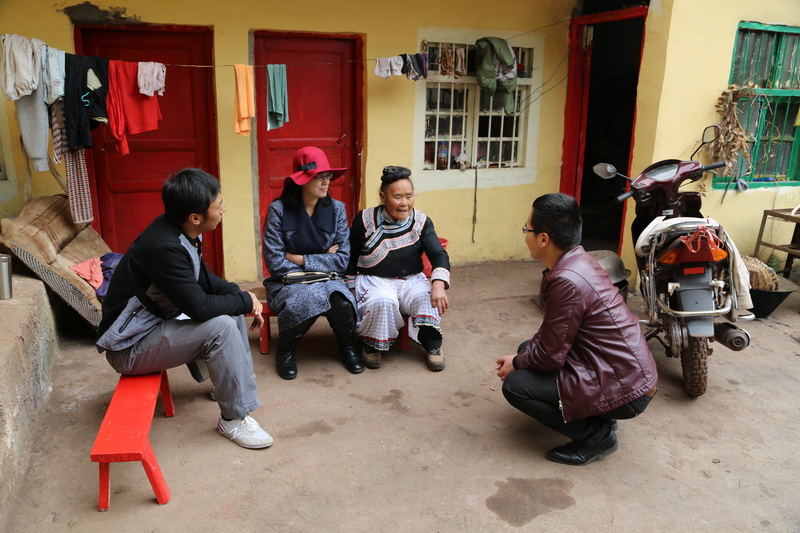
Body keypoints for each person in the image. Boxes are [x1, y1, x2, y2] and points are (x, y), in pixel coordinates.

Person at [97, 168, 272, 449]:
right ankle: (233, 418)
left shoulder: (181, 230)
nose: (223, 209)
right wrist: (244, 301)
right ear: (195, 217)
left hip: (153, 323)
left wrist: (241, 295)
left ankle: (233, 387)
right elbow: (200, 307)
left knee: (229, 308)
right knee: (222, 325)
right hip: (129, 345)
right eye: (218, 206)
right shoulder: (164, 247)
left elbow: (203, 279)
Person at [496, 192, 658, 465]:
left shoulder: (566, 281)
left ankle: (597, 436)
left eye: (527, 230)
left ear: (544, 239)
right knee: (527, 349)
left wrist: (517, 363)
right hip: (628, 375)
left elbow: (549, 357)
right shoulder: (578, 260)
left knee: (516, 385)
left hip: (628, 390)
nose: (526, 235)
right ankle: (600, 414)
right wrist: (523, 357)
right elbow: (552, 337)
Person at [262, 146, 364, 379]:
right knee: (304, 298)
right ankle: (286, 351)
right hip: (288, 282)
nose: (326, 182)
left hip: (329, 280)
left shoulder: (337, 209)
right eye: (319, 177)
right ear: (302, 180)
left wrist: (299, 258)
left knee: (340, 300)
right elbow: (275, 262)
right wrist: (324, 258)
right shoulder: (278, 210)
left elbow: (342, 260)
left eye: (327, 177)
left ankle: (348, 347)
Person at [347, 165, 450, 371]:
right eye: (397, 197)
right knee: (382, 300)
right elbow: (351, 255)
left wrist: (438, 283)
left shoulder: (421, 222)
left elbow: (438, 254)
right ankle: (371, 344)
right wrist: (350, 287)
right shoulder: (364, 220)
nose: (405, 203)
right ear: (383, 197)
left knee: (425, 296)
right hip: (374, 280)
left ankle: (432, 345)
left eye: (409, 196)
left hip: (411, 279)